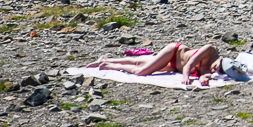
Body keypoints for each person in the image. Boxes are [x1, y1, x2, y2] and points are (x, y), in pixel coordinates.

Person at [85, 42, 222, 86]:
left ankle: (106, 60)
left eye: (218, 71)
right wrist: (186, 77)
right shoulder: (209, 49)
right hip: (174, 52)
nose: (215, 69)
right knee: (142, 71)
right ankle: (110, 66)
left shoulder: (210, 69)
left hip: (174, 65)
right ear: (221, 59)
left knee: (139, 62)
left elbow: (203, 75)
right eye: (217, 66)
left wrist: (204, 78)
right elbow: (189, 65)